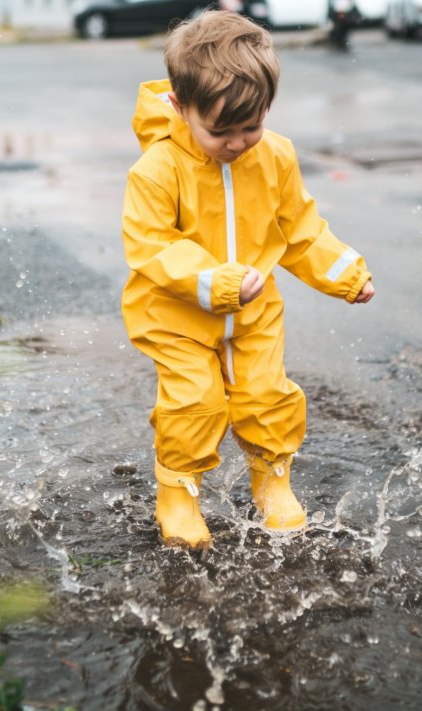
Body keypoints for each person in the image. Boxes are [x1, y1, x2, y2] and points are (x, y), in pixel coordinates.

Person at [121, 10, 375, 550]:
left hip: (254, 313)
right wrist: (216, 280)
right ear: (181, 107)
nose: (238, 143)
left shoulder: (275, 155)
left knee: (267, 396)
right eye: (221, 131)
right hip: (177, 316)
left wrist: (345, 273)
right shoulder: (158, 169)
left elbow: (299, 228)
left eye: (251, 126)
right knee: (196, 402)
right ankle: (178, 493)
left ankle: (272, 481)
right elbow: (151, 245)